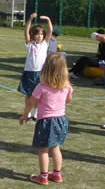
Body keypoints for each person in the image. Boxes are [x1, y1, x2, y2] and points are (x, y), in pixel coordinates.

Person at [19, 53, 72, 185]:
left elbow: (31, 102)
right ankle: (57, 174)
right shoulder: (66, 86)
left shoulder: (41, 87)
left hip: (46, 121)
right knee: (56, 148)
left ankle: (43, 176)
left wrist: (25, 114)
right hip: (61, 120)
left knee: (43, 150)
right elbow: (68, 100)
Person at [17, 13, 53, 121]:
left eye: (41, 34)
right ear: (33, 35)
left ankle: (36, 113)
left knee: (38, 95)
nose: (39, 36)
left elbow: (50, 31)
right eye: (37, 34)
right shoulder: (30, 44)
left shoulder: (44, 44)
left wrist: (48, 19)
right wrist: (30, 19)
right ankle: (27, 112)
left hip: (40, 73)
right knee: (28, 94)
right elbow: (26, 32)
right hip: (29, 72)